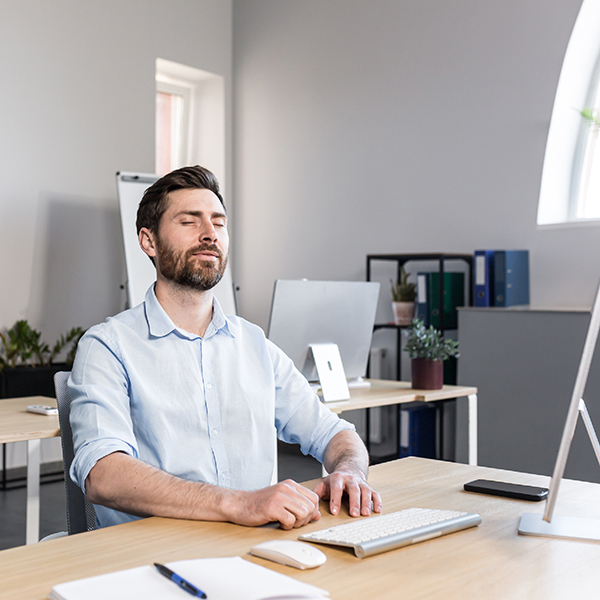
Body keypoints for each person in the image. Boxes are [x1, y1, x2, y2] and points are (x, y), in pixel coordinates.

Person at [69, 165, 382, 530]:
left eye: (218, 223)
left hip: (256, 548)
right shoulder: (107, 346)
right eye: (189, 222)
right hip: (156, 560)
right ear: (149, 241)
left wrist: (350, 471)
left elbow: (335, 434)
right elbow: (103, 475)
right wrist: (238, 503)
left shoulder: (254, 345)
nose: (209, 234)